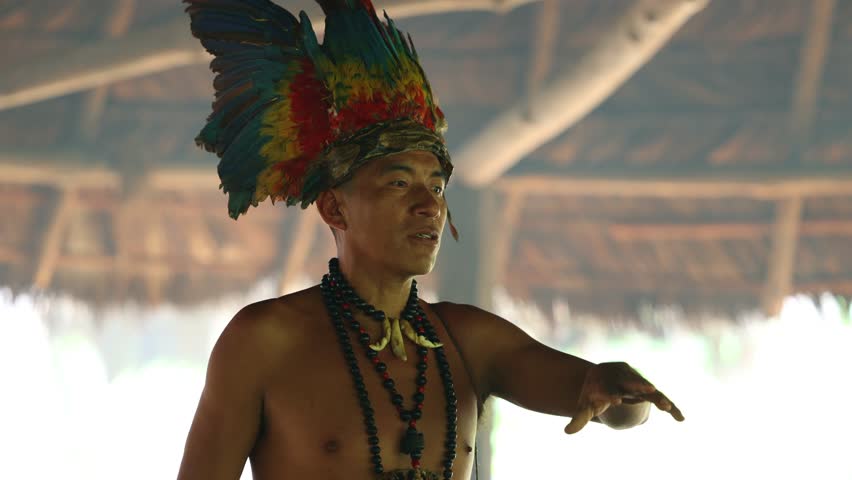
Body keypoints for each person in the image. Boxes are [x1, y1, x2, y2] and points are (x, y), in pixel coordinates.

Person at [177, 1, 684, 479]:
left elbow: (606, 405)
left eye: (437, 187)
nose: (430, 205)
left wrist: (617, 386)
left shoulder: (470, 339)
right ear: (335, 207)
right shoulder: (264, 340)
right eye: (399, 183)